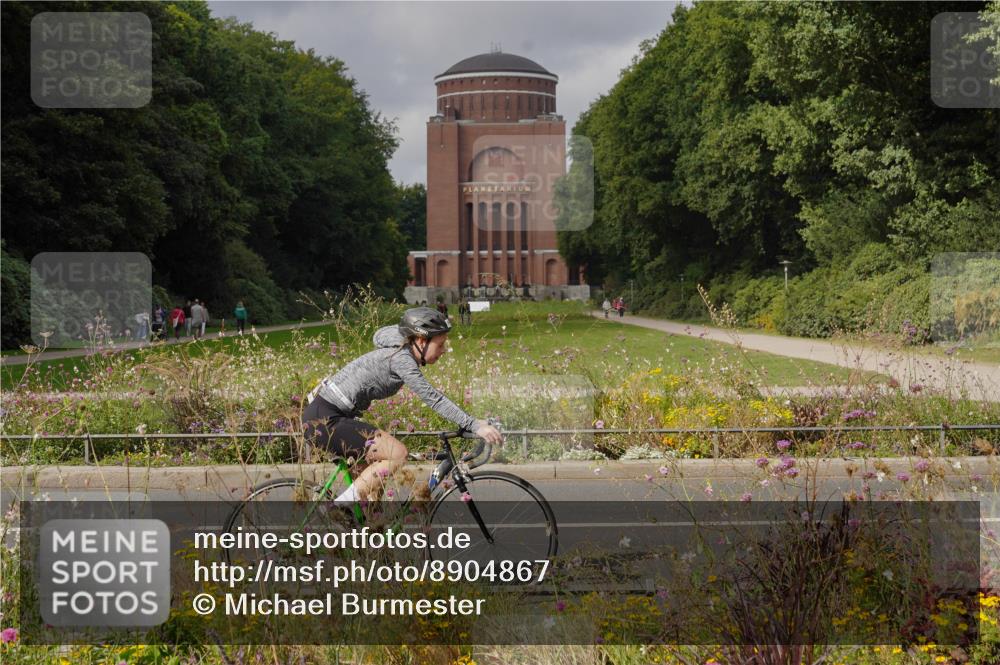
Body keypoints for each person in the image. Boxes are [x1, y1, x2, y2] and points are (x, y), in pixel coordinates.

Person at [302, 307, 502, 505]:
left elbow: (379, 335)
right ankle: (338, 508)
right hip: (325, 421)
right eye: (440, 345)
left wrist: (409, 329)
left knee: (372, 503)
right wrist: (474, 425)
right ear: (422, 341)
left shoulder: (401, 346)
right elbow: (434, 398)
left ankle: (368, 532)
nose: (444, 351)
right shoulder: (402, 359)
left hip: (330, 415)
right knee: (397, 454)